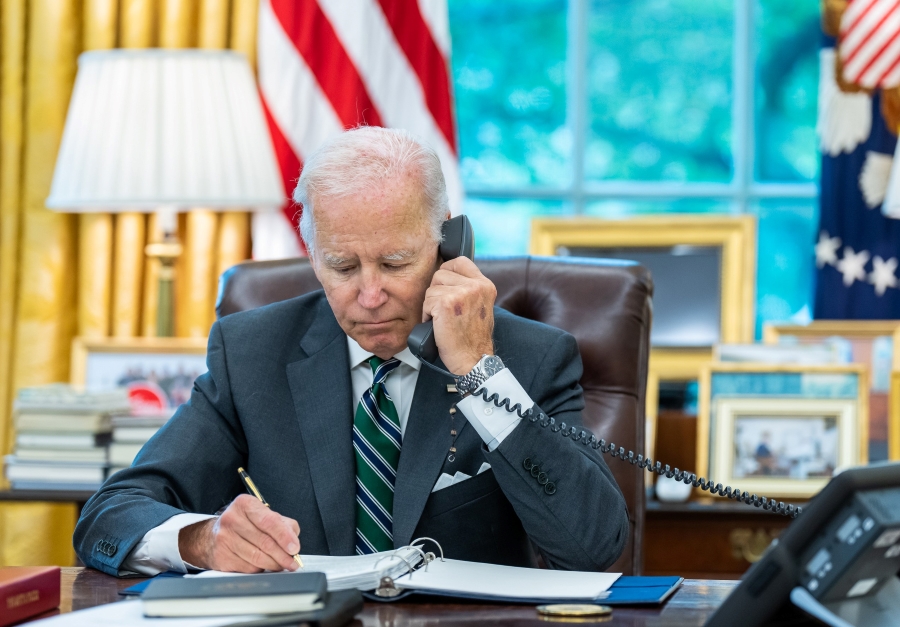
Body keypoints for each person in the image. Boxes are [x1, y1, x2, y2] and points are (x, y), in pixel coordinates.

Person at [73, 127, 629, 576]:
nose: (368, 295)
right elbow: (111, 514)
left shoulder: (529, 356)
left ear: (448, 245)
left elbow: (593, 547)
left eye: (394, 264)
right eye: (341, 267)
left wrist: (481, 372)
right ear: (312, 255)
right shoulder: (253, 354)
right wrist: (201, 539)